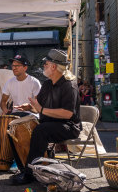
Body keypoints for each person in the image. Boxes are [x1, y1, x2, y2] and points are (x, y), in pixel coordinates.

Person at [11, 49, 81, 185]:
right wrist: (29, 106)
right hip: (49, 123)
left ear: (54, 67)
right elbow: (39, 105)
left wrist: (41, 109)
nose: (44, 66)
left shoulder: (69, 85)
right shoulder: (48, 84)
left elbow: (68, 113)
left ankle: (30, 174)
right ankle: (24, 169)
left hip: (68, 126)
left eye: (46, 64)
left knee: (41, 130)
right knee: (13, 128)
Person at [0, 55, 41, 170]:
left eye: (17, 66)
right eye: (13, 66)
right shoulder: (10, 82)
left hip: (32, 114)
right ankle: (1, 156)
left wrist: (29, 107)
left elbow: (39, 106)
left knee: (16, 126)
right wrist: (5, 110)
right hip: (15, 114)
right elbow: (3, 102)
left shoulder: (34, 82)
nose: (14, 68)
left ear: (25, 68)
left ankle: (16, 158)